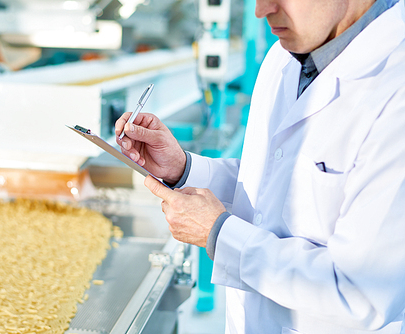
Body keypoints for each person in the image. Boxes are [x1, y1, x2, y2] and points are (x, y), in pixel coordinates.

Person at [115, 0, 405, 332]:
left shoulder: (396, 90)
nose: (261, 9)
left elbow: (363, 295)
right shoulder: (286, 54)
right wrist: (183, 168)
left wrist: (220, 235)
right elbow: (275, 180)